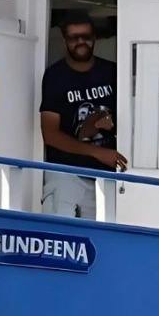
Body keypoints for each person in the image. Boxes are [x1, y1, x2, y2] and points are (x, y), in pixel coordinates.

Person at [38, 11, 123, 219]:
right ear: (65, 41)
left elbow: (132, 120)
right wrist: (97, 152)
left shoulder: (112, 71)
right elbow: (50, 134)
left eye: (86, 36)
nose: (81, 42)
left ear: (94, 38)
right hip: (68, 174)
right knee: (65, 239)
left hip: (110, 178)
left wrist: (112, 124)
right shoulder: (55, 76)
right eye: (74, 37)